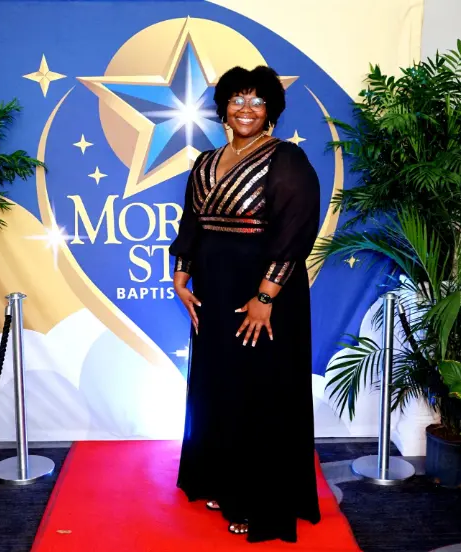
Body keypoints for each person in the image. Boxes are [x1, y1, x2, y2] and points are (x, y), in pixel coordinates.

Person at [169, 65, 321, 543]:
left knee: (260, 392)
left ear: (271, 110)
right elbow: (193, 222)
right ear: (224, 108)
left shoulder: (287, 160)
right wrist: (181, 272)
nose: (246, 109)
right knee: (219, 386)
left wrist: (265, 296)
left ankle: (258, 502)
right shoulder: (206, 161)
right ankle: (221, 479)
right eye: (237, 99)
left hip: (265, 292)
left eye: (257, 101)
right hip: (213, 290)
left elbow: (295, 232)